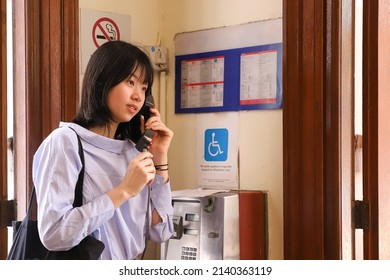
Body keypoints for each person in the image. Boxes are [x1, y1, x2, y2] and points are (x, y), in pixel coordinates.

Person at [32, 40, 174, 260]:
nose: (138, 95)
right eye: (130, 82)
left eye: (144, 88)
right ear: (103, 82)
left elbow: (161, 230)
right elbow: (54, 234)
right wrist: (124, 190)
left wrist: (160, 156)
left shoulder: (133, 153)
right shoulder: (65, 142)